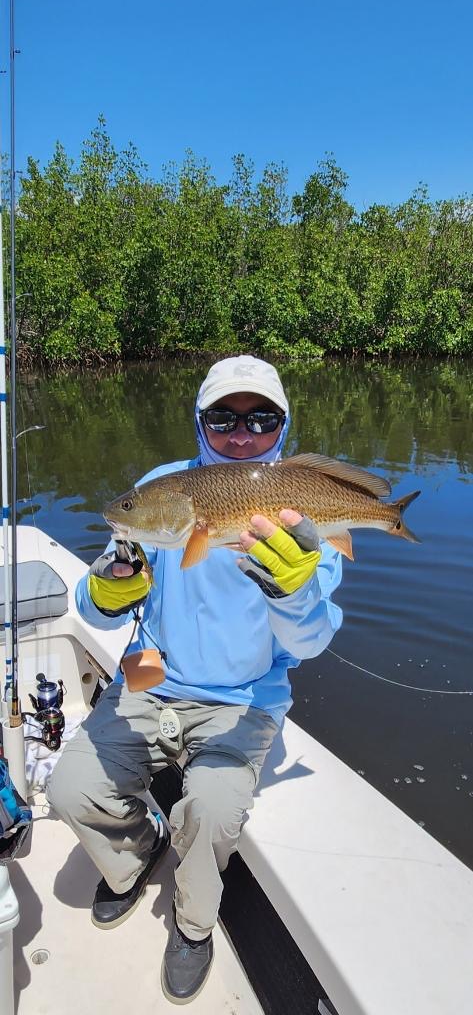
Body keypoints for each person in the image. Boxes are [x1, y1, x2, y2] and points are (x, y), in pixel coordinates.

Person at [47, 355, 343, 1005]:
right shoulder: (160, 488)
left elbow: (311, 641)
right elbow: (99, 599)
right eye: (224, 416)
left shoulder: (303, 509)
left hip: (247, 691)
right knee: (69, 790)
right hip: (152, 670)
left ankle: (192, 926)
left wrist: (295, 593)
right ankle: (133, 857)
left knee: (208, 813)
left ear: (281, 425)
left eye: (261, 418)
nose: (242, 432)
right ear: (200, 421)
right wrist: (105, 590)